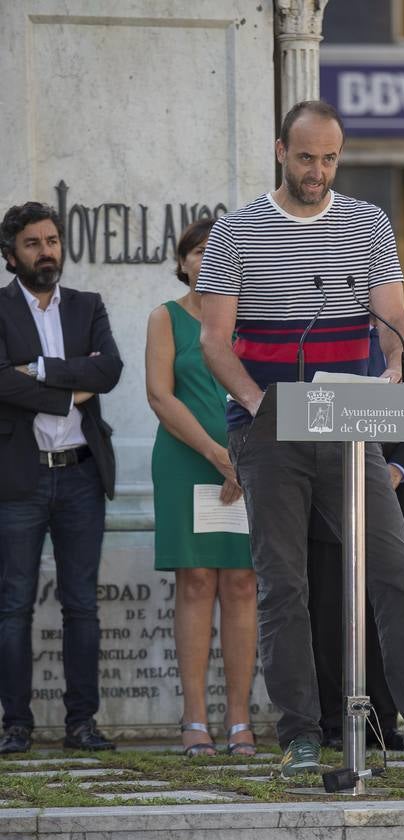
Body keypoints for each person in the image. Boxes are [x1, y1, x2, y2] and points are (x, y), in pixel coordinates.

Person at [196, 99, 404, 780]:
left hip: (346, 422)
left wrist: (393, 368)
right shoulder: (237, 232)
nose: (319, 171)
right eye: (306, 157)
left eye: (330, 158)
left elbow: (394, 320)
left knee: (395, 575)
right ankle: (301, 737)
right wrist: (257, 401)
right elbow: (215, 341)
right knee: (284, 586)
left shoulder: (368, 222)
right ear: (281, 150)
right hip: (267, 428)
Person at [0, 201, 123, 754]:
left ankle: (81, 723)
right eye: (33, 243)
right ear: (11, 255)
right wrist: (71, 389)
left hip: (79, 475)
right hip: (18, 480)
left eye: (51, 240)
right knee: (13, 604)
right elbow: (2, 384)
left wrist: (42, 371)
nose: (46, 251)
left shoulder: (86, 306)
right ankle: (16, 725)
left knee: (81, 604)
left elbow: (110, 370)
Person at [146, 219, 257, 757]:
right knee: (195, 583)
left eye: (218, 250)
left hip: (250, 465)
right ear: (184, 260)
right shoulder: (165, 318)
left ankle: (239, 718)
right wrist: (219, 456)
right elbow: (160, 397)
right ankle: (193, 718)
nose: (207, 257)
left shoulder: (253, 315)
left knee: (241, 584)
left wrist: (243, 459)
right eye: (198, 250)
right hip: (188, 463)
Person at [308, 317, 404, 752]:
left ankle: (385, 720)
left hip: (393, 489)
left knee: (391, 605)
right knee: (329, 606)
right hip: (326, 489)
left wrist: (398, 468)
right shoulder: (317, 322)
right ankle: (333, 720)